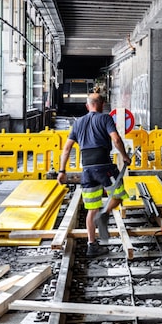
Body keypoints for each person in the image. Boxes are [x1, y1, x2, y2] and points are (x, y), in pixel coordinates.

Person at [58, 93, 131, 256]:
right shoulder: (105, 119)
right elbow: (116, 140)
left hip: (87, 170)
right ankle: (104, 215)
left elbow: (66, 148)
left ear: (87, 106)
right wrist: (125, 156)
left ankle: (92, 245)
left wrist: (62, 171)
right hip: (104, 166)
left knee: (92, 209)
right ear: (102, 104)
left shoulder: (78, 123)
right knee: (119, 195)